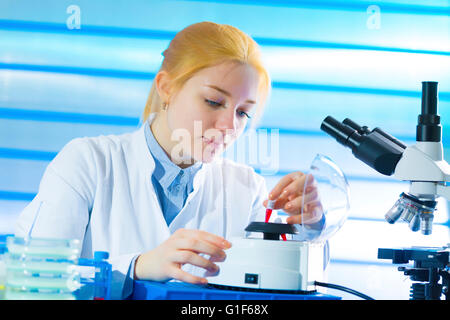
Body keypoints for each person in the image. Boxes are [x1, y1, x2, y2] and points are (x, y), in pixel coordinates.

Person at [14, 21, 322, 299]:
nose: (230, 126)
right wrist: (135, 268)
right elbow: (32, 282)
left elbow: (278, 288)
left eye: (243, 112)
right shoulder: (88, 162)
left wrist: (309, 224)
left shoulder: (247, 188)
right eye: (214, 101)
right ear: (167, 87)